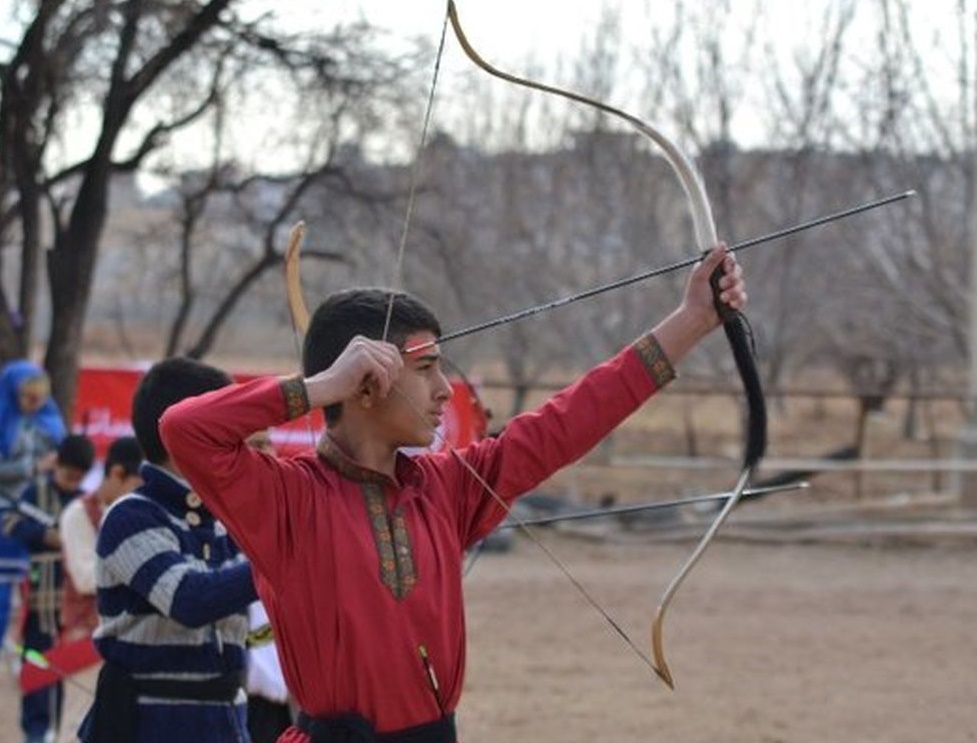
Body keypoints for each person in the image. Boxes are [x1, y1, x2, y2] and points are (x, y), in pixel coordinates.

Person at [159, 245, 747, 743]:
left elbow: (567, 421)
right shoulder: (285, 499)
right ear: (367, 381)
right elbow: (183, 429)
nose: (444, 390)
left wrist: (693, 318)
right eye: (427, 368)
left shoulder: (448, 487)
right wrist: (320, 387)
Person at [77, 358, 258, 743]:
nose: (238, 440)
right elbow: (189, 598)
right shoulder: (132, 515)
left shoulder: (227, 517)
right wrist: (281, 558)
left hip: (226, 722)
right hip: (150, 726)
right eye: (227, 424)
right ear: (187, 432)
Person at [4, 433, 95, 743]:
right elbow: (11, 523)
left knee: (61, 662)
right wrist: (47, 537)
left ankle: (55, 729)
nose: (72, 483)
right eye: (68, 476)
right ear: (57, 464)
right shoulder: (35, 492)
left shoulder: (84, 502)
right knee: (37, 658)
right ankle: (35, 729)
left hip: (72, 599)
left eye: (78, 478)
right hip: (40, 593)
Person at [57, 435, 143, 743]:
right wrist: (143, 573)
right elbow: (82, 577)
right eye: (137, 484)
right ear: (117, 473)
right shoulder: (78, 514)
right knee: (75, 725)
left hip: (123, 639)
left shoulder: (137, 514)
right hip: (84, 638)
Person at [0, 361, 67, 657]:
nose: (33, 405)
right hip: (5, 509)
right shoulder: (4, 418)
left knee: (37, 587)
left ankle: (29, 651)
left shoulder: (49, 421)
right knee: (4, 581)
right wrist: (32, 467)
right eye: (27, 398)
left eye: (38, 399)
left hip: (39, 511)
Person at [243, 430, 296, 743]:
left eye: (266, 443)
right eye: (252, 445)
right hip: (241, 690)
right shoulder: (212, 519)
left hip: (292, 692)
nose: (263, 452)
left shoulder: (292, 511)